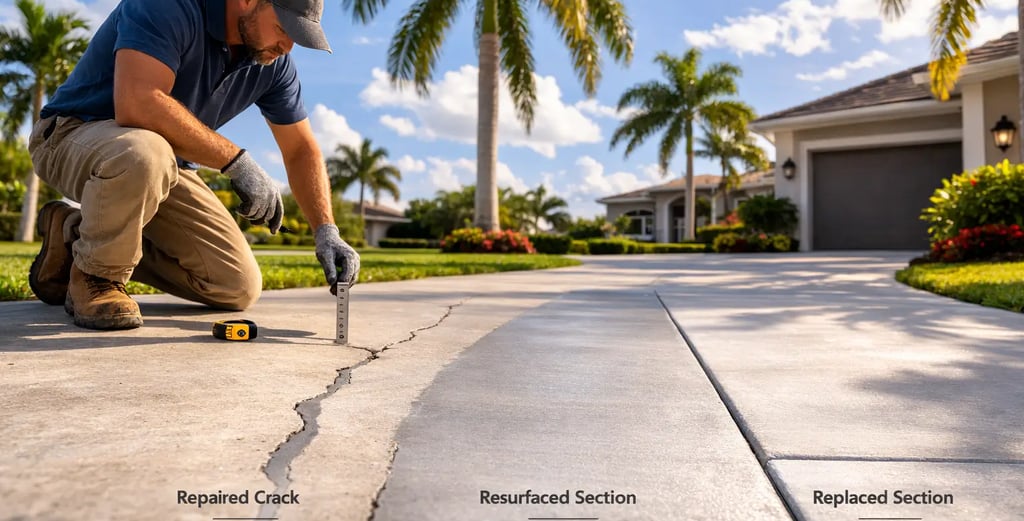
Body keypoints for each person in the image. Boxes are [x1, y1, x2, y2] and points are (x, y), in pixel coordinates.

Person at [27, 0, 359, 331]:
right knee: (145, 152)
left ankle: (73, 234)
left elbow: (300, 149)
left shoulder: (272, 63)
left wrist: (326, 230)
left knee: (236, 284)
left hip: (163, 165)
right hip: (71, 135)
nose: (287, 47)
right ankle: (97, 278)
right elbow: (137, 102)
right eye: (284, 29)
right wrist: (236, 162)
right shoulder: (168, 6)